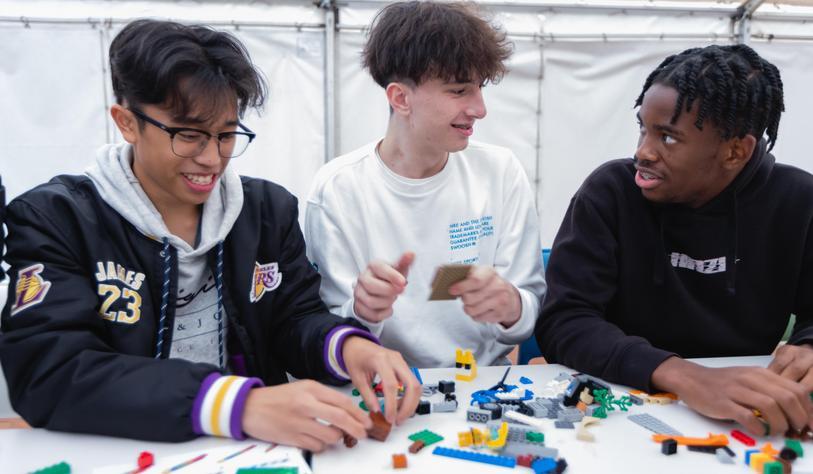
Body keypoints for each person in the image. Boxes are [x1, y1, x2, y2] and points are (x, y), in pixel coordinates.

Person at [0, 19, 419, 449]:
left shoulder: (266, 212)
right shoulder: (57, 218)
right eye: (189, 135)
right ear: (127, 122)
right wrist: (239, 405)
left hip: (255, 452)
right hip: (122, 450)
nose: (211, 159)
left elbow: (295, 320)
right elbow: (47, 372)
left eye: (226, 135)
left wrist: (346, 346)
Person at [535, 44, 813, 436]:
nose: (642, 152)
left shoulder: (798, 200)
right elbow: (565, 321)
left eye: (667, 138)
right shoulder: (610, 192)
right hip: (615, 411)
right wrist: (686, 377)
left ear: (735, 151)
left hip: (746, 419)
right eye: (643, 128)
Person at [304, 1, 545, 368]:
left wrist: (512, 306)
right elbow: (330, 331)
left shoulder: (500, 172)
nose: (480, 108)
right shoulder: (339, 189)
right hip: (383, 385)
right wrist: (363, 311)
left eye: (480, 88)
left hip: (482, 387)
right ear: (400, 98)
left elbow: (526, 313)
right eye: (459, 91)